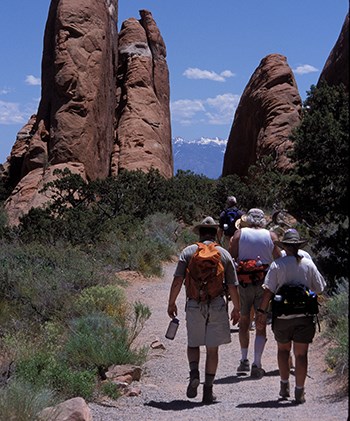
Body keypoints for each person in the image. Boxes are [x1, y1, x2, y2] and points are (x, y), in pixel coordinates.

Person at [167, 216, 240, 404]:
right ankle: (208, 390)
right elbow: (232, 285)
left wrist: (171, 302)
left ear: (199, 233)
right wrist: (237, 308)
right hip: (216, 303)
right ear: (215, 233)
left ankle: (194, 375)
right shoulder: (223, 254)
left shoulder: (188, 252)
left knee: (193, 344)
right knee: (212, 349)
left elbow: (177, 280)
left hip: (194, 303)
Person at [256, 228, 326, 404]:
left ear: (285, 247)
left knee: (283, 350)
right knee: (301, 355)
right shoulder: (308, 264)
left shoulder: (277, 265)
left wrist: (261, 312)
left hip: (282, 316)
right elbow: (320, 288)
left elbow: (268, 292)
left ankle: (284, 384)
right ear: (298, 246)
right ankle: (299, 391)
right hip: (304, 316)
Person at [229, 208, 281, 378]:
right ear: (263, 220)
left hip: (243, 283)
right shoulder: (271, 236)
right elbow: (279, 259)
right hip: (264, 284)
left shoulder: (239, 234)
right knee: (260, 321)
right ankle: (257, 364)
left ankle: (243, 360)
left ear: (248, 219)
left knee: (244, 321)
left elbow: (232, 257)